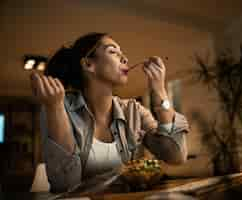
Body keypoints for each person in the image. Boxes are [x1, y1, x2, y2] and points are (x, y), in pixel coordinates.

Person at [30, 32, 190, 193]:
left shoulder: (133, 111)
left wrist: (160, 91)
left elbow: (176, 156)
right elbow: (65, 183)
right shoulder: (57, 105)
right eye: (113, 51)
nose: (125, 58)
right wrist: (55, 108)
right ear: (88, 64)